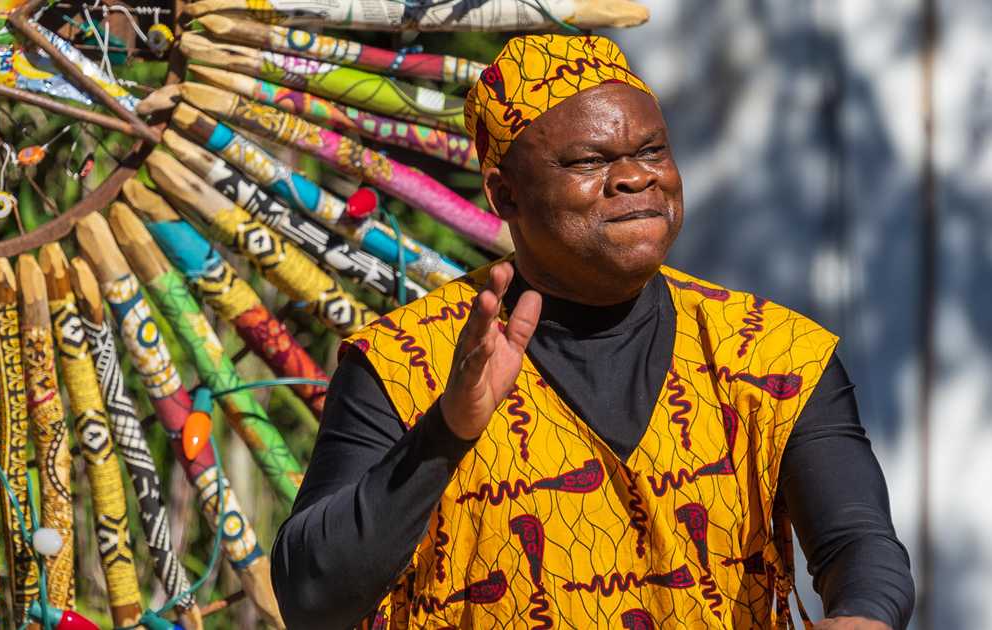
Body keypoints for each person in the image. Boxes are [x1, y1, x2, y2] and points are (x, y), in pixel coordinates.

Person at [272, 34, 914, 629]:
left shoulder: (772, 353)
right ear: (506, 195)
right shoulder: (408, 361)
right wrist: (445, 433)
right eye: (589, 159)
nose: (636, 176)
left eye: (652, 150)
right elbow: (310, 596)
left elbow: (858, 542)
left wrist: (862, 616)